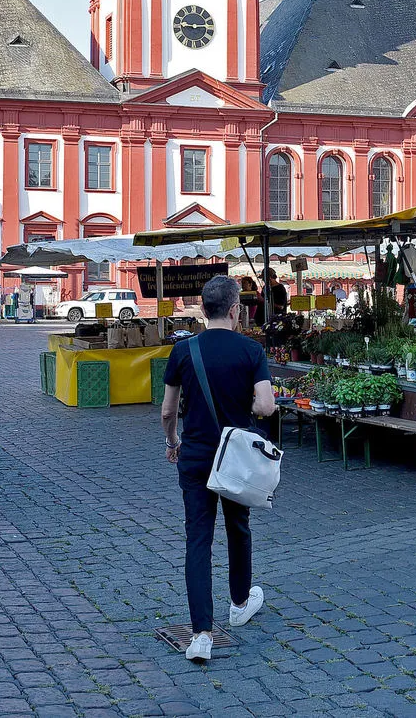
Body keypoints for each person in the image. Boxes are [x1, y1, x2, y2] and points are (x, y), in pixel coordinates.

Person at [160, 276, 277, 662]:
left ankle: (201, 635)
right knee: (237, 526)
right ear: (234, 310)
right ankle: (241, 603)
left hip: (195, 456)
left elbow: (167, 411)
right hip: (235, 458)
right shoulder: (250, 349)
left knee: (198, 539)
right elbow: (266, 407)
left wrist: (173, 442)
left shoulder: (183, 350)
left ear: (202, 308)